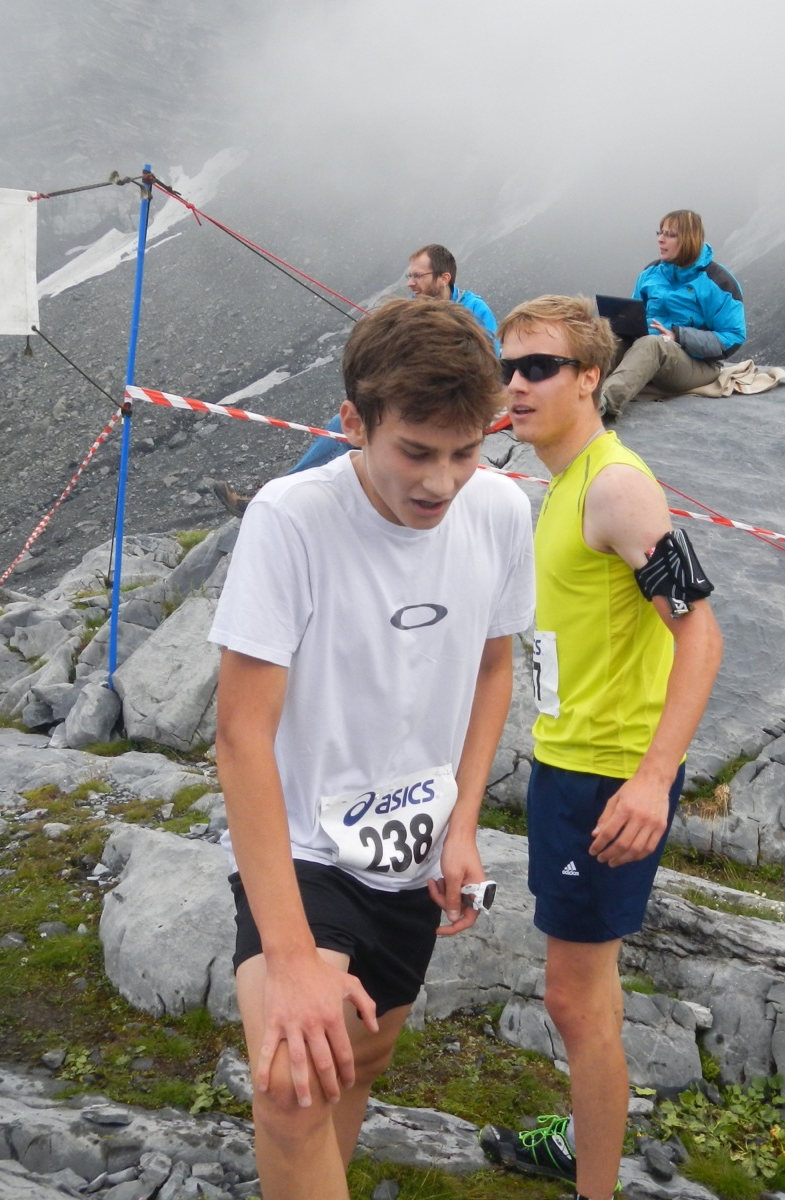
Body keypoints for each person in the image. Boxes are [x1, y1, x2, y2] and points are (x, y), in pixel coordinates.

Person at [209, 297, 535, 1200]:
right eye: (416, 452)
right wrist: (288, 956)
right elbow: (240, 735)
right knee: (291, 1084)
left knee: (361, 1056)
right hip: (307, 846)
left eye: (465, 452)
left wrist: (463, 827)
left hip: (414, 849)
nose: (442, 482)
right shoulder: (291, 517)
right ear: (354, 423)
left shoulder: (500, 511)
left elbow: (493, 667)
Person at [480, 295, 724, 1200]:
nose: (517, 383)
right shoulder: (563, 478)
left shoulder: (616, 487)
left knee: (573, 999)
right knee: (586, 991)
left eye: (539, 367)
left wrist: (653, 780)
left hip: (608, 776)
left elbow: (701, 634)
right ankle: (587, 1147)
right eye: (508, 366)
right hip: (568, 761)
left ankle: (593, 1184)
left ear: (590, 377)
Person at [213, 244, 499, 515]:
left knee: (347, 428)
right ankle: (278, 497)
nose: (410, 283)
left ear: (443, 278)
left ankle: (275, 499)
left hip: (453, 407)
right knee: (344, 426)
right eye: (409, 276)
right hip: (413, 402)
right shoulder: (414, 309)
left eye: (417, 276)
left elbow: (489, 368)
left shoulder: (475, 310)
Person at [598, 209, 745, 418]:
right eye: (660, 232)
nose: (660, 239)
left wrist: (679, 336)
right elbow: (635, 314)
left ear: (689, 239)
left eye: (670, 234)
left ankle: (602, 406)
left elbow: (733, 337)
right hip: (647, 352)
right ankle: (571, 394)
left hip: (698, 363)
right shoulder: (651, 273)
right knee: (610, 341)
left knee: (654, 344)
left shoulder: (718, 281)